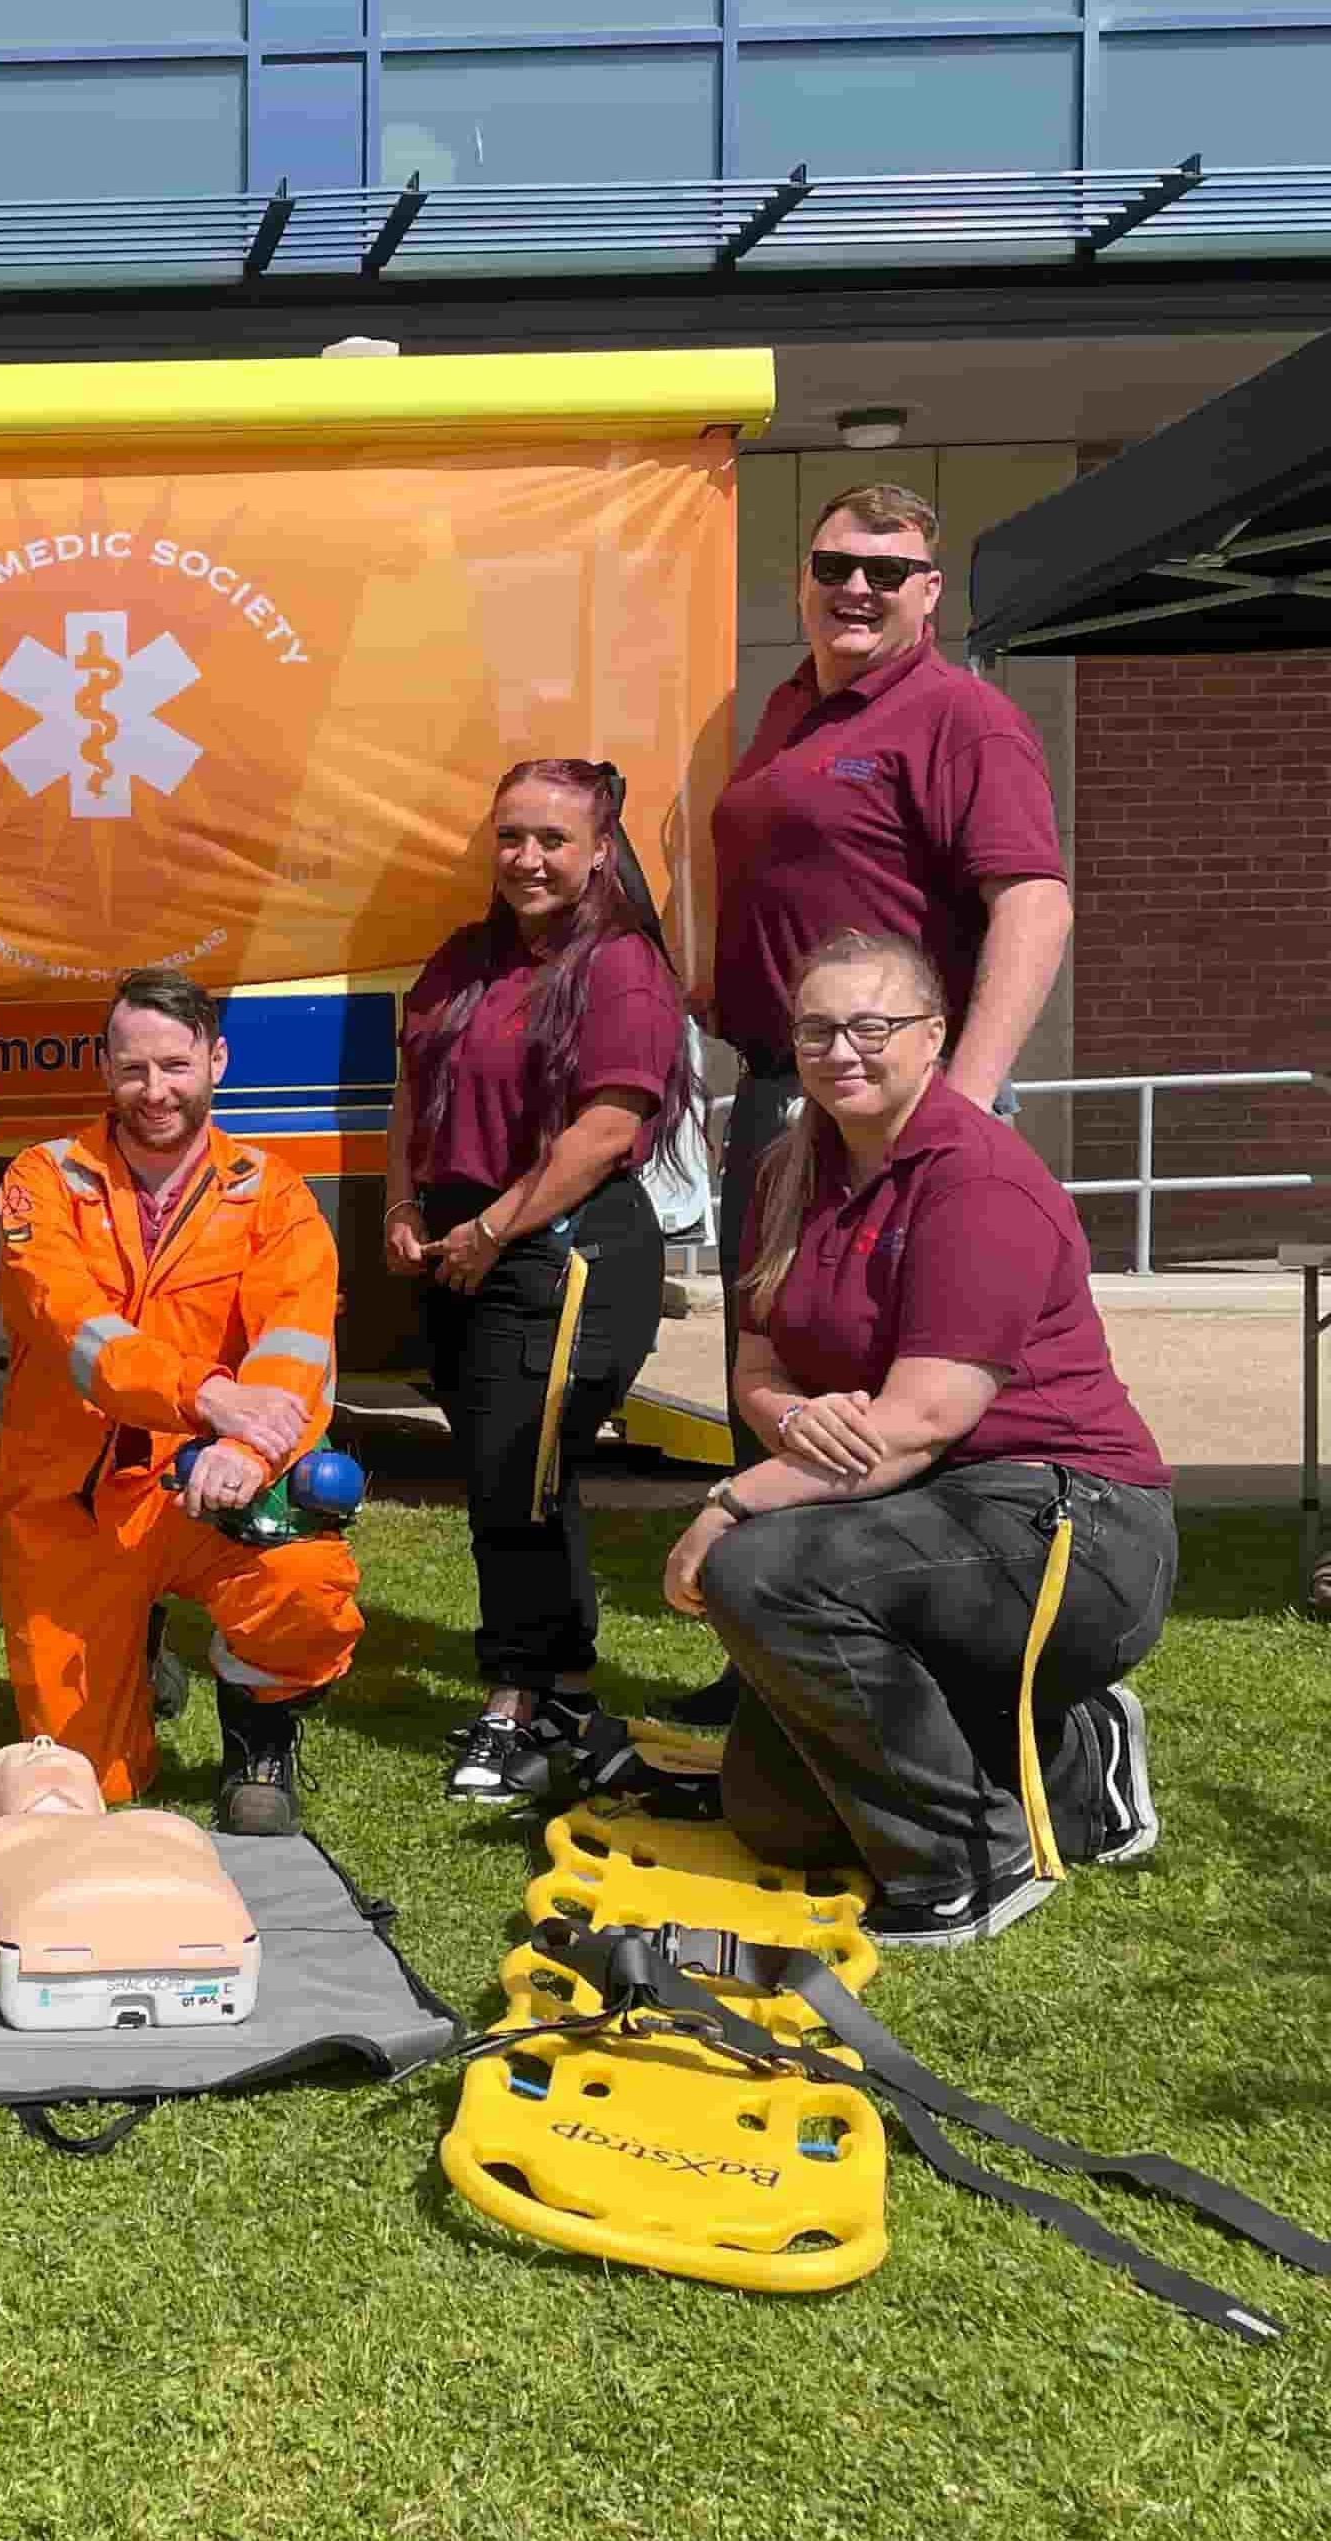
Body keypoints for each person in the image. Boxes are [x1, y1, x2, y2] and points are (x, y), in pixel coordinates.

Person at [664, 929, 1172, 1950]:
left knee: (761, 1570)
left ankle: (970, 1866)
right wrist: (796, 1418)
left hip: (1066, 1520)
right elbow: (755, 1371)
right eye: (816, 1030)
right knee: (774, 1810)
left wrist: (729, 1505)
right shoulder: (787, 1170)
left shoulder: (977, 1177)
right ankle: (1077, 1755)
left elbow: (925, 1419)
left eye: (871, 1026)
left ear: (934, 1035)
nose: (840, 1051)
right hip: (915, 1513)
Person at [682, 479, 1074, 1723]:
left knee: (897, 1391)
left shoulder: (963, 718)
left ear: (929, 592)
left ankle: (887, 1671)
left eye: (886, 572)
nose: (856, 588)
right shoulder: (790, 708)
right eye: (834, 564)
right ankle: (773, 1659)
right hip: (783, 1094)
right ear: (803, 577)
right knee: (775, 1363)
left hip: (894, 1106)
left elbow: (1034, 902)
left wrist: (961, 1102)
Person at [0, 970, 363, 1833]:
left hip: (211, 1486)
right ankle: (138, 1649)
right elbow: (74, 1327)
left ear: (216, 1061)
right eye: (133, 1068)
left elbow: (297, 1342)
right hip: (75, 1502)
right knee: (88, 1788)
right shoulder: (41, 1180)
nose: (154, 1090)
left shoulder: (273, 1192)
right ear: (104, 1067)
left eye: (175, 1066)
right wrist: (209, 1396)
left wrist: (247, 1449)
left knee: (306, 1588)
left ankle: (259, 1730)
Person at [389, 760, 695, 1802]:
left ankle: (515, 1705)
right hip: (464, 1243)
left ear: (601, 851)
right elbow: (412, 1090)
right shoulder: (464, 957)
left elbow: (606, 1129)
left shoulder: (619, 966)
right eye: (511, 835)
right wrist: (402, 1204)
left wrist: (493, 1227)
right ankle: (562, 1691)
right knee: (511, 1477)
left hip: (569, 1251)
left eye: (553, 839)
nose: (527, 858)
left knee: (516, 1474)